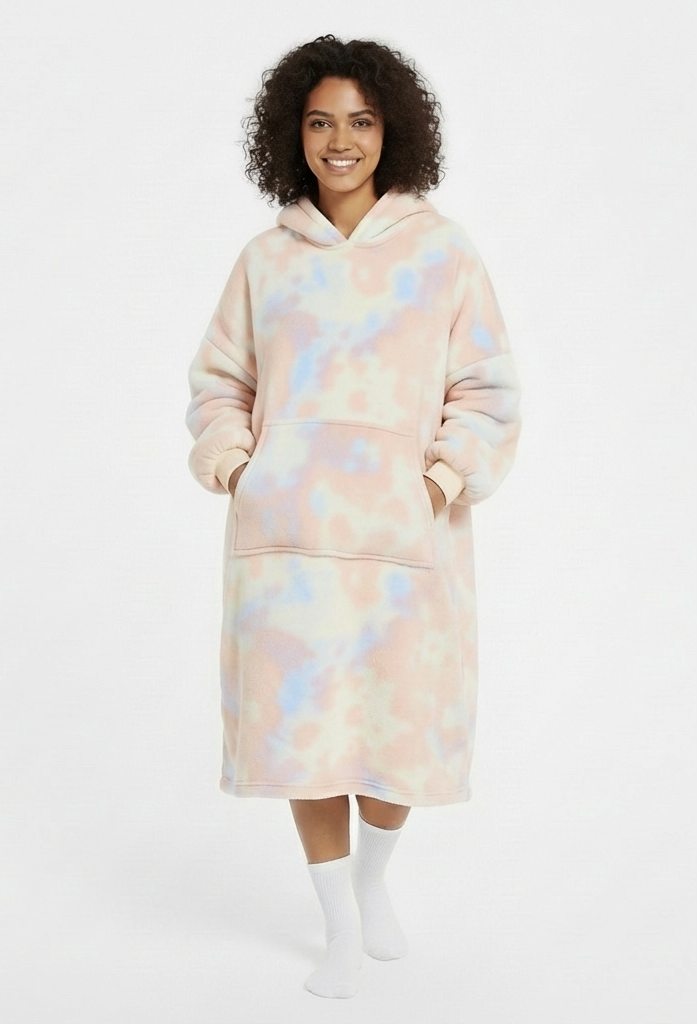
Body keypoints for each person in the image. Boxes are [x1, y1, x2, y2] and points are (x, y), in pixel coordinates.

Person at [186, 34, 522, 998]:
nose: (341, 141)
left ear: (392, 131)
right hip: (287, 550)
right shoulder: (265, 260)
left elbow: (487, 388)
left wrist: (438, 484)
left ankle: (373, 882)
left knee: (392, 736)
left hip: (403, 545)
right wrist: (242, 468)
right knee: (305, 739)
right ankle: (337, 924)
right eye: (320, 122)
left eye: (362, 122)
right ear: (291, 134)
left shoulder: (442, 253)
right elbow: (219, 383)